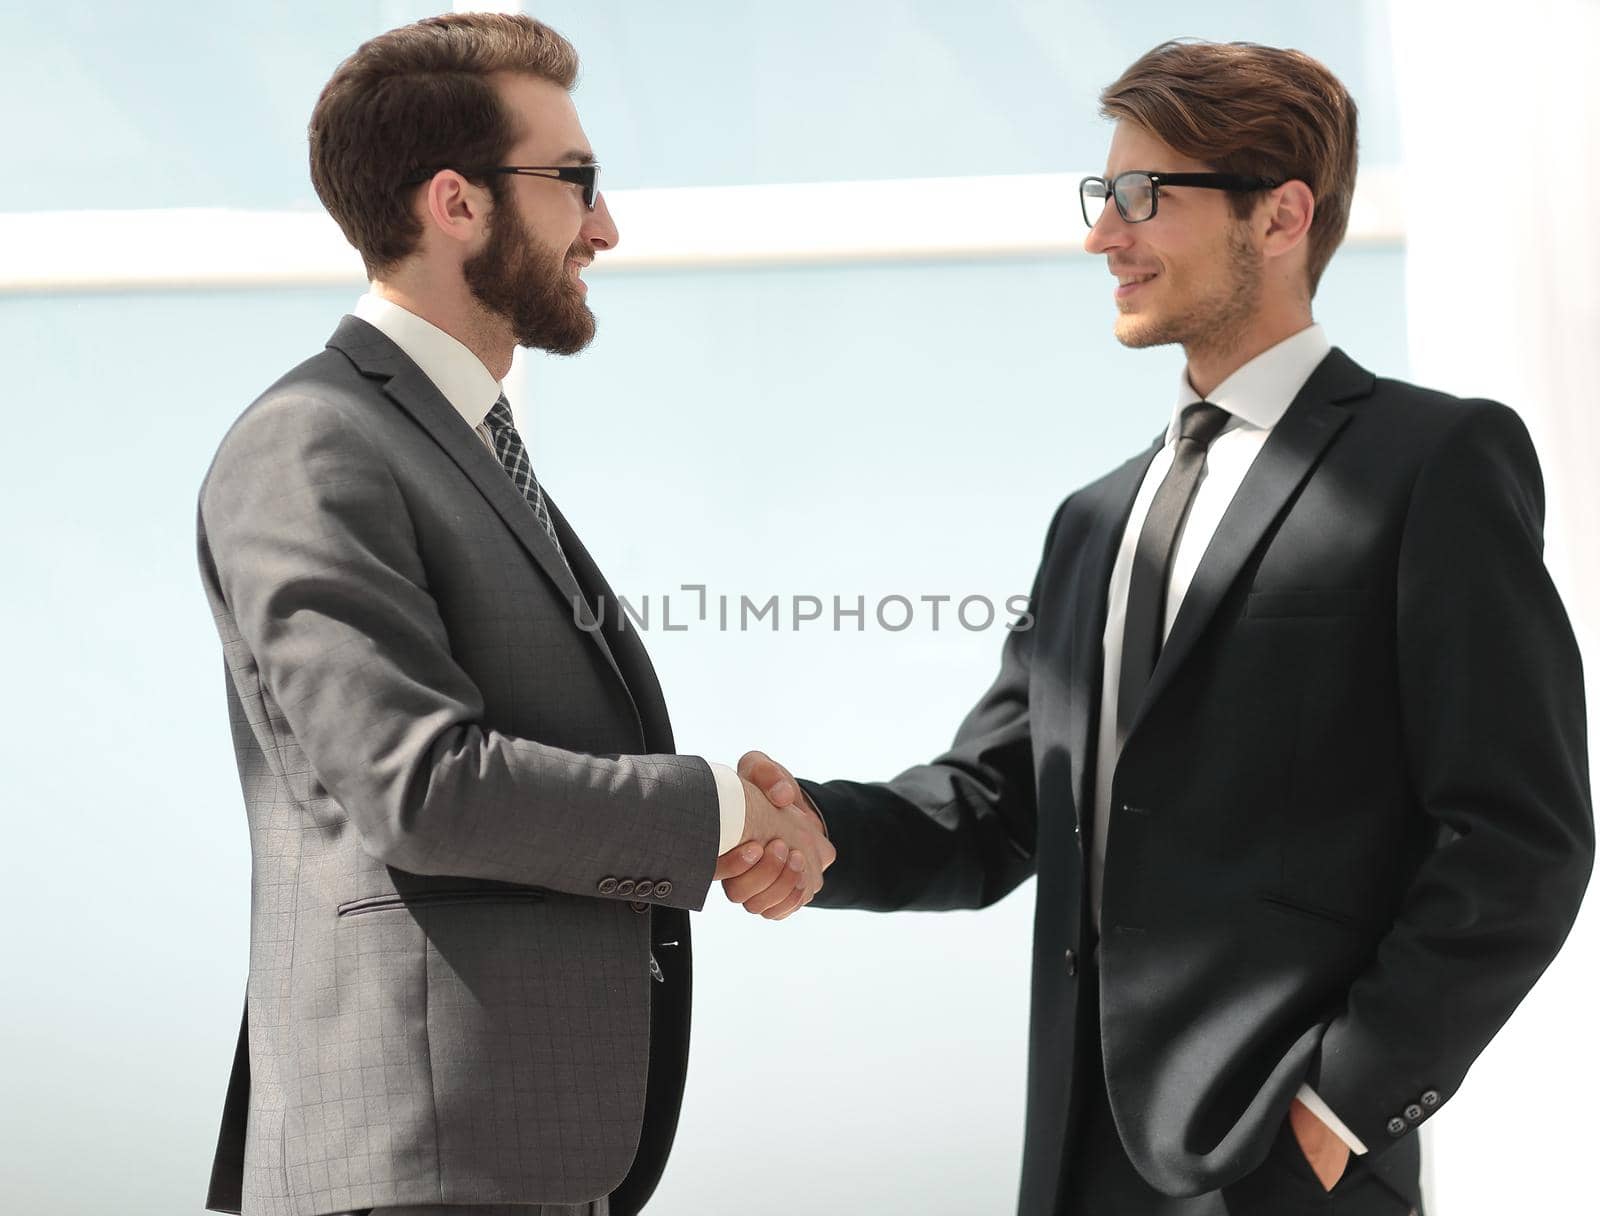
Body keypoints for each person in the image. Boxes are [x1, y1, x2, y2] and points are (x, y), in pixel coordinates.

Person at [736, 38, 1593, 1216]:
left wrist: (1339, 1107)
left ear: (1280, 215)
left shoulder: (1431, 464)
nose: (1104, 235)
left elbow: (1518, 839)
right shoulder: (1090, 522)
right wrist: (817, 829)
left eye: (1144, 196)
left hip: (1283, 1166)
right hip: (1075, 1163)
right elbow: (993, 807)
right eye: (1104, 196)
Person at [195, 13, 826, 1216]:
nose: (605, 226)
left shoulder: (456, 447)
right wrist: (721, 809)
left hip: (506, 1162)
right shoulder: (314, 443)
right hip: (419, 1163)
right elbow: (420, 786)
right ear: (456, 202)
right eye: (576, 181)